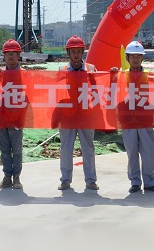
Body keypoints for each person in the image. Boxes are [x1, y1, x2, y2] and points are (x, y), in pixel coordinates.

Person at [111, 41, 154, 194]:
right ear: (127, 58)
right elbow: (113, 93)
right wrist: (112, 76)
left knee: (149, 152)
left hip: (145, 118)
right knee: (131, 152)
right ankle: (135, 181)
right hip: (128, 120)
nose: (135, 59)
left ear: (142, 58)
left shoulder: (149, 76)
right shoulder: (121, 76)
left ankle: (149, 182)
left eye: (138, 56)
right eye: (132, 56)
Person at [55, 35, 98, 191]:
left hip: (86, 114)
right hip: (67, 115)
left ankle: (91, 180)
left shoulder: (91, 69)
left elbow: (98, 89)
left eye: (78, 51)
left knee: (88, 149)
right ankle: (65, 180)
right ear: (68, 53)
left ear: (82, 52)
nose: (75, 54)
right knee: (66, 149)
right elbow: (56, 93)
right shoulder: (62, 71)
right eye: (73, 51)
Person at [0, 39, 27, 190]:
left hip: (17, 117)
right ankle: (7, 177)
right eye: (8, 54)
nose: (11, 56)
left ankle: (17, 177)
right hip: (1, 117)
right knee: (4, 149)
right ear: (4, 56)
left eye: (14, 53)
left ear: (19, 55)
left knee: (17, 149)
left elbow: (31, 95)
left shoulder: (25, 74)